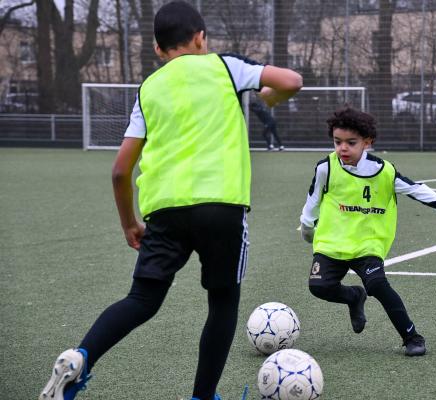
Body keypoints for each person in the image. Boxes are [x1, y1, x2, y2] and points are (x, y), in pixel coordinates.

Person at [39, 2, 302, 400]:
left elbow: (120, 170)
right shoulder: (225, 66)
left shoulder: (150, 88)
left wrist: (129, 222)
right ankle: (201, 396)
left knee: (142, 300)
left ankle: (81, 356)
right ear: (201, 38)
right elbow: (291, 80)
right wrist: (269, 96)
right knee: (223, 301)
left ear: (158, 50)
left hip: (164, 211)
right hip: (221, 206)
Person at [299, 106, 436, 357]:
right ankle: (353, 297)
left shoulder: (384, 171)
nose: (343, 148)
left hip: (368, 243)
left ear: (367, 142)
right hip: (332, 241)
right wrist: (306, 226)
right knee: (318, 286)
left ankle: (412, 337)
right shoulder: (326, 167)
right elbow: (313, 198)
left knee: (379, 285)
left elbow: (413, 188)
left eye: (351, 142)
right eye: (338, 142)